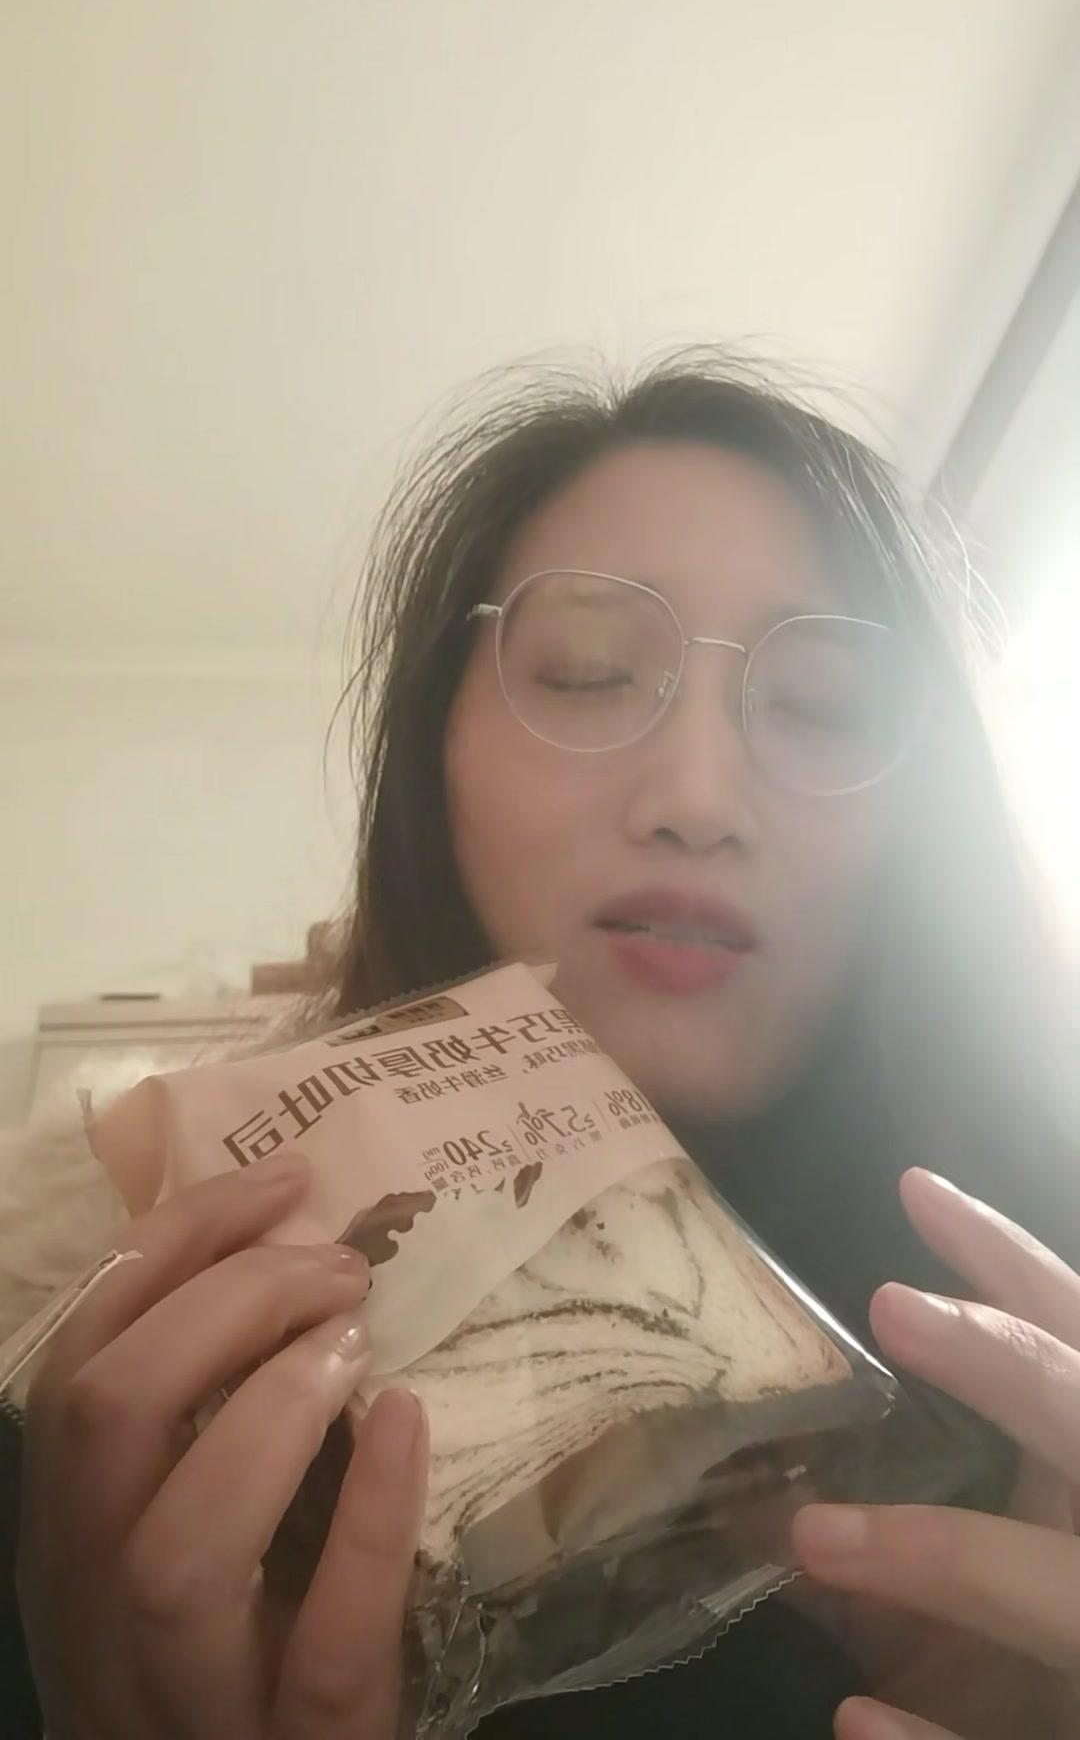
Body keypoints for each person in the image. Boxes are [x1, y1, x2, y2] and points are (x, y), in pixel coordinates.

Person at [2, 351, 1078, 1739]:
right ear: (429, 755)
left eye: (823, 706)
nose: (698, 796)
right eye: (585, 675)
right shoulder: (101, 1390)